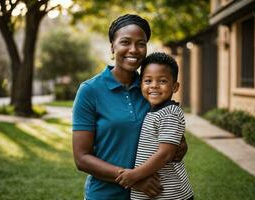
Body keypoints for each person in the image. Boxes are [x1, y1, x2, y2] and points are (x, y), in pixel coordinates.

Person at [72, 14, 187, 200]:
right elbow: (82, 158)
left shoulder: (150, 89)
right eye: (125, 42)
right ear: (112, 46)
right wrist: (134, 179)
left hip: (151, 195)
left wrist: (181, 145)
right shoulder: (90, 91)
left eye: (141, 43)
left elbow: (169, 136)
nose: (133, 50)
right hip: (105, 195)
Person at [115, 52, 194, 200]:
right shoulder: (151, 111)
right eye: (148, 81)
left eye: (162, 81)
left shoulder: (170, 112)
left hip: (170, 193)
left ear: (175, 87)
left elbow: (165, 154)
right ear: (140, 84)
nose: (154, 86)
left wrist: (134, 175)